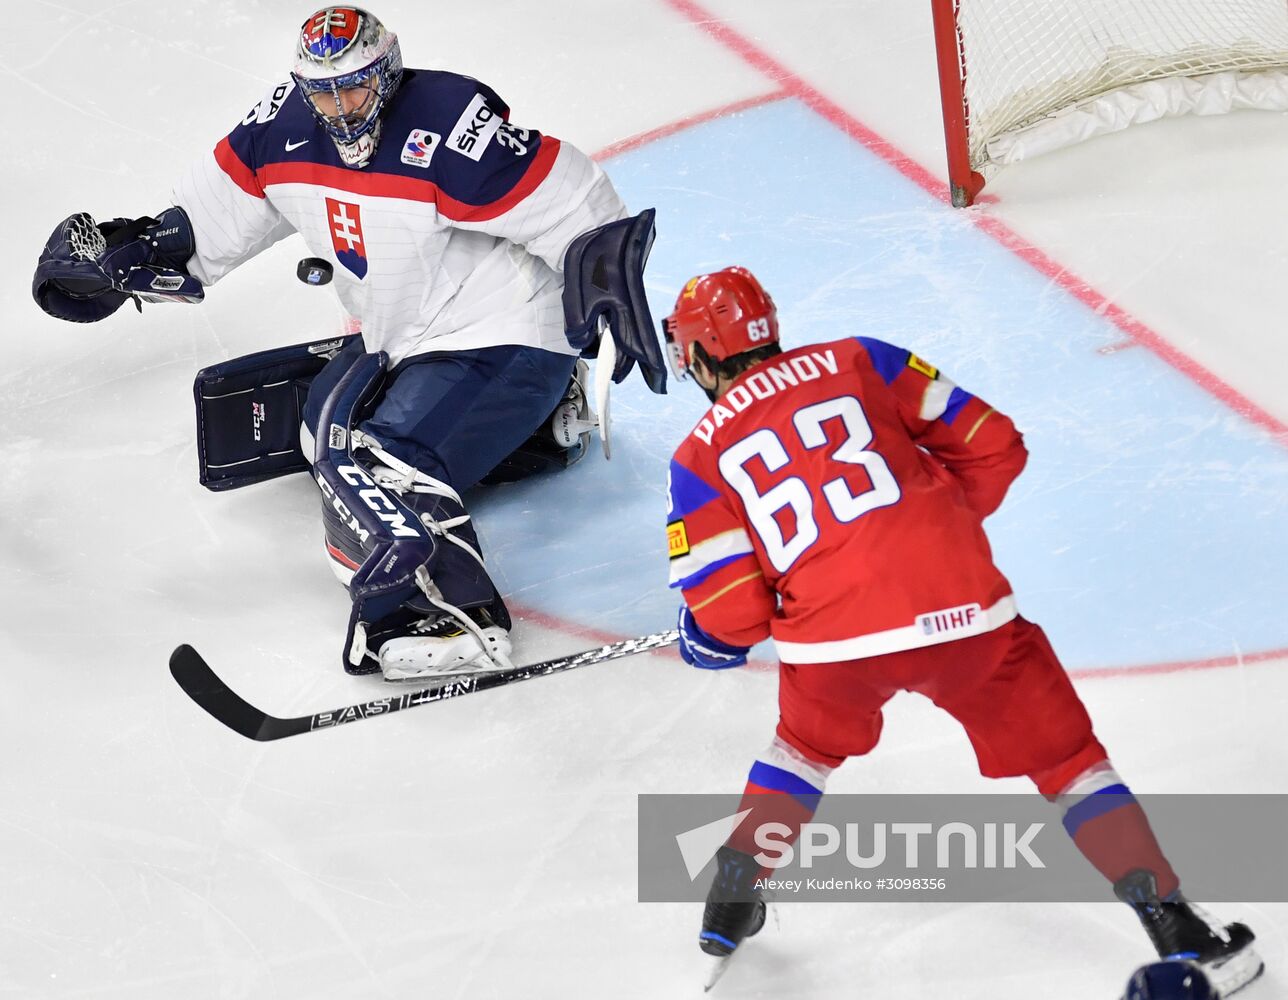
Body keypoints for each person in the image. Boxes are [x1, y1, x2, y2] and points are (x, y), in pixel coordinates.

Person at [660, 266, 1263, 994]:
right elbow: (994, 442)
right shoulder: (862, 358)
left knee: (805, 748)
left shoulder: (695, 458)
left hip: (836, 646)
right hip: (964, 612)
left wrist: (706, 640)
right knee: (1067, 761)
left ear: (695, 356)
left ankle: (736, 886)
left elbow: (731, 615)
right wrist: (929, 533)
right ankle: (1176, 925)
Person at [32, 7, 663, 680]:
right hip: (409, 337)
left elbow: (570, 194)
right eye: (322, 91)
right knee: (324, 437)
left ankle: (451, 614)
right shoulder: (281, 129)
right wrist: (131, 257)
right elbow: (203, 225)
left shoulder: (445, 124)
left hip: (506, 331)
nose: (338, 106)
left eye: (354, 87)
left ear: (385, 71)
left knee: (380, 461)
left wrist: (603, 273)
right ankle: (538, 430)